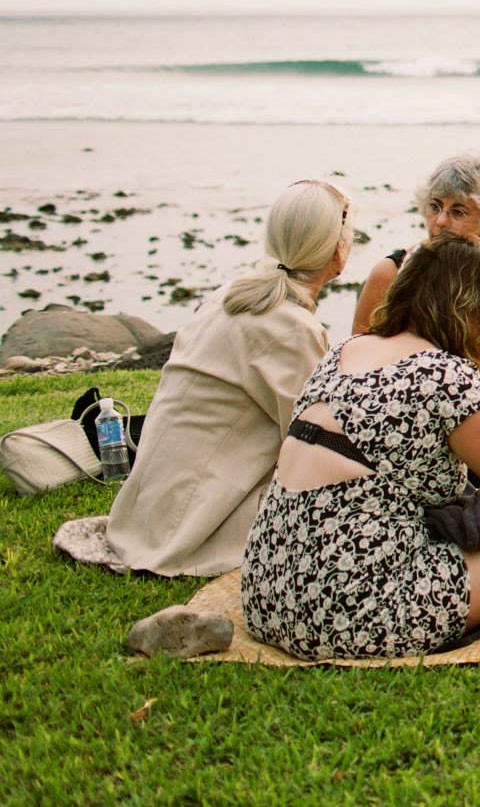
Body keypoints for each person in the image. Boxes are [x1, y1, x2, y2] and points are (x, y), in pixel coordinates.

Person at [241, 233, 480, 660]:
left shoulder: (348, 350)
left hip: (270, 595)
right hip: (351, 614)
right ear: (477, 310)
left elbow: (392, 432)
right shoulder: (446, 374)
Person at [95, 181, 350, 577]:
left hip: (150, 504)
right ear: (336, 249)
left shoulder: (230, 295)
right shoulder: (289, 326)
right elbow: (314, 440)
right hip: (192, 518)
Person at [352, 153, 480, 394]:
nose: (441, 221)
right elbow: (356, 366)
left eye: (458, 211)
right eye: (435, 206)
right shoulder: (390, 272)